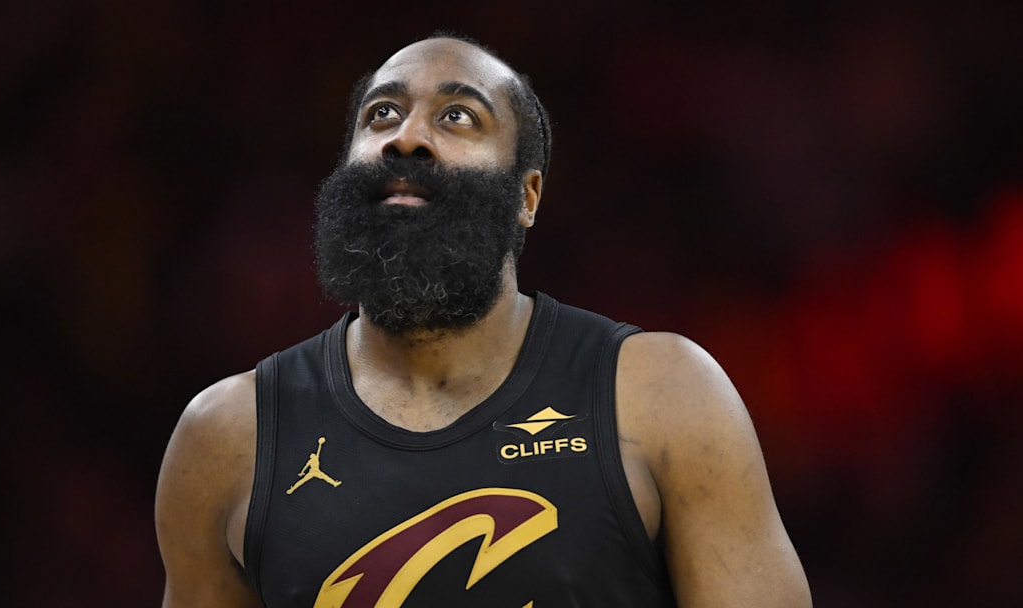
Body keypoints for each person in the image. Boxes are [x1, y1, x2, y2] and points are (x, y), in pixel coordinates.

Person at [155, 33, 812, 607]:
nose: (407, 135)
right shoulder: (227, 438)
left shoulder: (663, 393)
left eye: (458, 116)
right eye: (381, 114)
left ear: (526, 196)